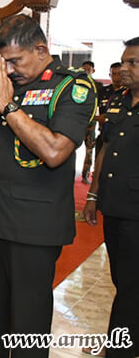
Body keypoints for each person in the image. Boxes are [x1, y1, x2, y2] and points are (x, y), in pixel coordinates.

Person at [0, 14, 96, 358]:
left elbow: (55, 151)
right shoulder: (7, 86)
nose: (8, 70)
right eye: (3, 63)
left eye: (15, 61)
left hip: (34, 228)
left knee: (28, 325)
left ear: (41, 49)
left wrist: (8, 106)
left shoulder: (72, 88)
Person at [83, 38, 139, 358]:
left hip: (137, 208)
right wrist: (93, 194)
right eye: (123, 62)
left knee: (131, 281)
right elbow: (104, 148)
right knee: (122, 277)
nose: (125, 69)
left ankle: (118, 349)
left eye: (133, 63)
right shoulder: (118, 100)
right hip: (115, 204)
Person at [95, 62, 126, 156]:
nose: (117, 77)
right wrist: (97, 118)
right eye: (114, 74)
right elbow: (94, 110)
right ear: (110, 75)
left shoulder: (130, 93)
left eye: (120, 74)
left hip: (122, 138)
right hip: (104, 135)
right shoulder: (102, 92)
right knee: (99, 165)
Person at [81, 60, 98, 184]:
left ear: (93, 71)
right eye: (84, 69)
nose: (86, 71)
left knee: (89, 151)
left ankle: (85, 174)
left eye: (89, 69)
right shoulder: (78, 84)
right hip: (78, 122)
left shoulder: (98, 86)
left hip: (91, 124)